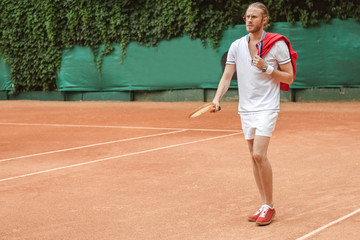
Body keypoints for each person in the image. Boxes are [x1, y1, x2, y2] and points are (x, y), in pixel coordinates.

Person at [212, 2, 297, 226]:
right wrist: (217, 98)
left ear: (264, 20)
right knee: (253, 157)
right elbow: (227, 76)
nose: (249, 20)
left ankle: (269, 205)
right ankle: (263, 204)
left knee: (259, 155)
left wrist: (267, 68)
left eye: (254, 17)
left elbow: (289, 77)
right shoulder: (236, 46)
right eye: (247, 16)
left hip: (267, 106)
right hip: (246, 109)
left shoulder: (276, 45)